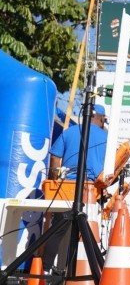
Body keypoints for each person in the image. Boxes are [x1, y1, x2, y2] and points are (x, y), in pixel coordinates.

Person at [44, 104, 108, 271]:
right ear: (101, 118)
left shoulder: (69, 132)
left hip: (66, 188)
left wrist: (55, 180)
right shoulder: (106, 137)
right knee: (87, 232)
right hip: (91, 190)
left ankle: (45, 268)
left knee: (58, 229)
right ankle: (78, 271)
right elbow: (110, 169)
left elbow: (55, 158)